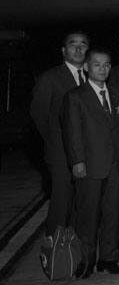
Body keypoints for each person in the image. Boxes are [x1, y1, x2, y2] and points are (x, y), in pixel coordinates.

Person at [63, 48, 119, 277]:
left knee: (112, 213)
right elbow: (73, 133)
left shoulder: (117, 94)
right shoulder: (75, 96)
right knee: (88, 215)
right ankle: (86, 261)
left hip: (115, 164)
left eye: (106, 65)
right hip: (90, 165)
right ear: (87, 67)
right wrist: (77, 161)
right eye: (97, 65)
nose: (102, 69)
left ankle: (108, 259)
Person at [30, 30, 89, 237]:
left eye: (83, 44)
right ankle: (54, 252)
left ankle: (73, 252)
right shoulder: (50, 78)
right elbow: (39, 115)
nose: (78, 48)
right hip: (61, 154)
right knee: (61, 203)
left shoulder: (94, 77)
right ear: (64, 50)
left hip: (88, 154)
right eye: (73, 44)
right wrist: (58, 142)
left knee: (81, 205)